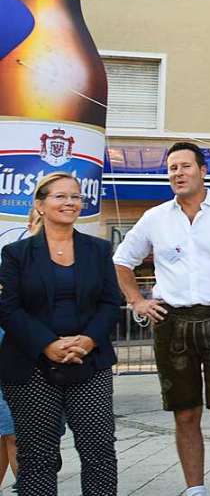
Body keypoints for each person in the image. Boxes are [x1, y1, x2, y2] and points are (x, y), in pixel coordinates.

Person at [113, 142, 210, 496]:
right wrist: (137, 301)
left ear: (203, 170)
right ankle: (194, 490)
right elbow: (122, 260)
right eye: (171, 169)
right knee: (185, 413)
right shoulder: (155, 217)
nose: (177, 174)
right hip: (172, 323)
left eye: (184, 166)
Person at [0, 172, 120, 496]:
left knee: (99, 452)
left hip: (89, 362)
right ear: (40, 205)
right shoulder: (16, 254)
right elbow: (8, 308)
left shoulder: (98, 250)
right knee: (37, 456)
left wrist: (89, 340)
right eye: (60, 196)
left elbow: (111, 302)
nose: (70, 202)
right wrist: (47, 344)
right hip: (32, 367)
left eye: (76, 197)